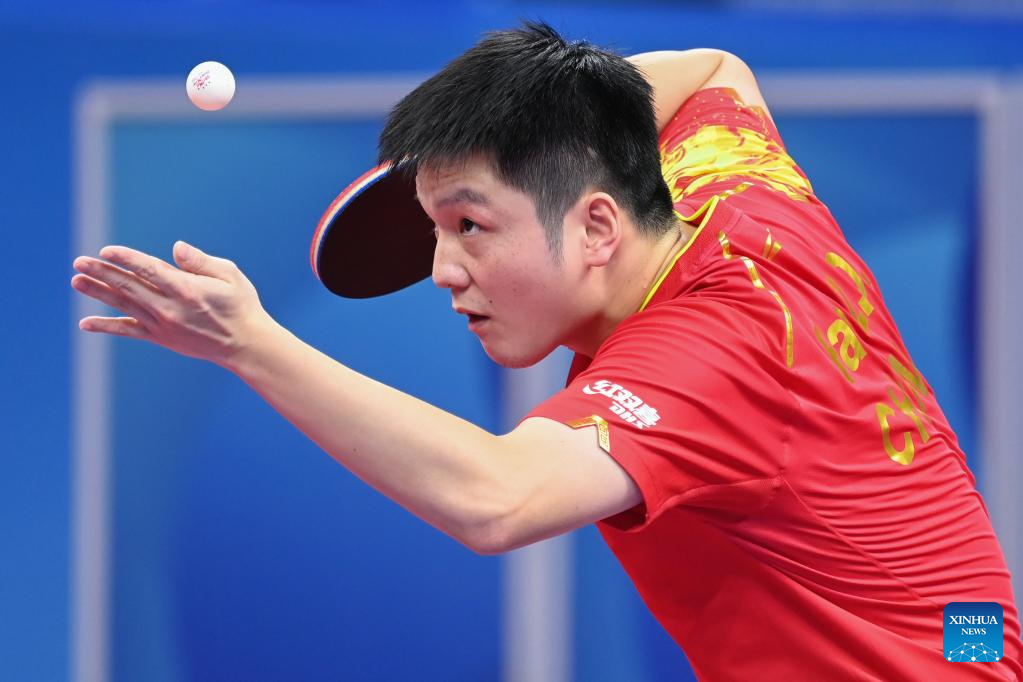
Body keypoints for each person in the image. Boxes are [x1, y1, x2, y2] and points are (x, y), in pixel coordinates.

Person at [71, 21, 1020, 681]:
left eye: (470, 226)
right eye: (436, 229)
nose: (441, 270)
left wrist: (250, 345)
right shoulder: (729, 184)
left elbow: (497, 499)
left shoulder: (708, 355)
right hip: (962, 630)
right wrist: (543, 126)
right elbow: (715, 68)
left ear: (598, 225)